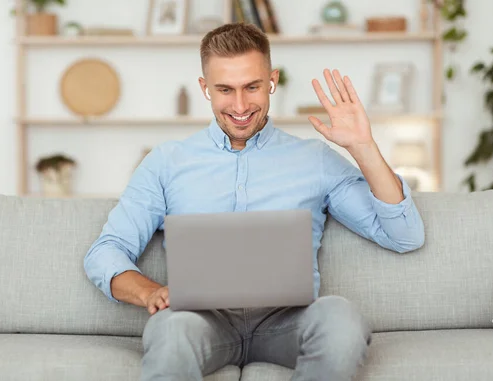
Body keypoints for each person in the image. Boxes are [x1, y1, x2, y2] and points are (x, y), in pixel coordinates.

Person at [84, 22, 425, 381]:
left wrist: (363, 147)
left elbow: (404, 236)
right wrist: (149, 292)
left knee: (342, 318)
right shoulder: (167, 162)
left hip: (289, 320)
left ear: (272, 81)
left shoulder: (315, 159)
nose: (241, 105)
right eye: (225, 90)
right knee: (169, 330)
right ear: (205, 89)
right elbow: (106, 251)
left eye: (252, 87)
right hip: (200, 322)